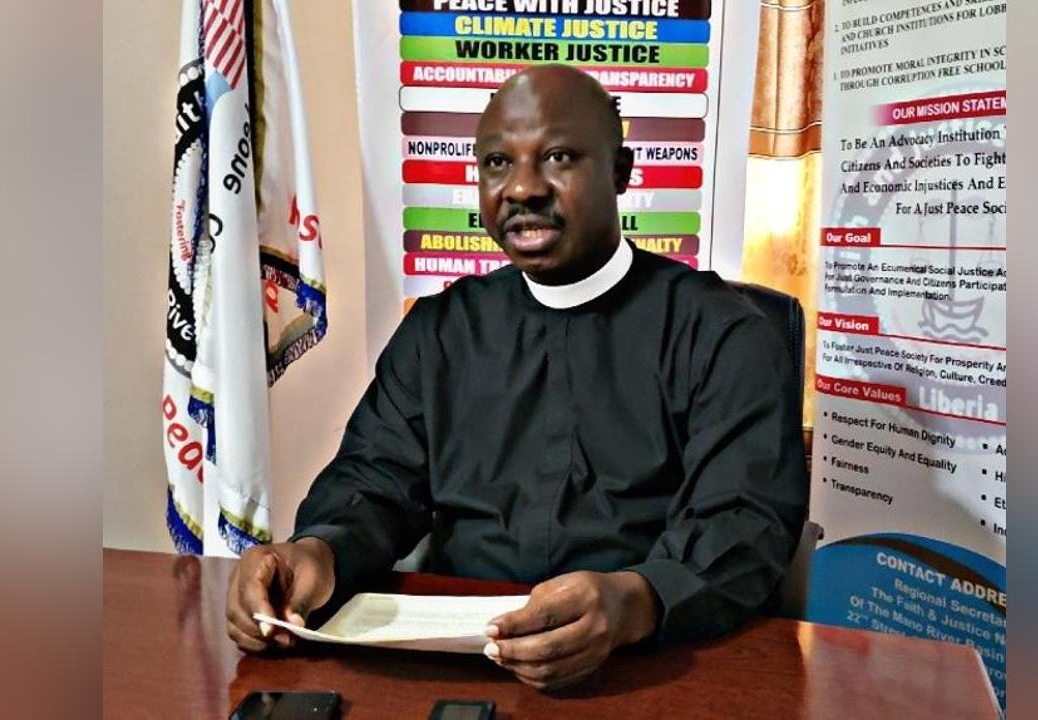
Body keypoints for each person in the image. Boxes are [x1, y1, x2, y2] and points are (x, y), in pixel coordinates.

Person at [226, 64, 807, 690]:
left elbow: (743, 521)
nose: (523, 188)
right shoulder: (440, 331)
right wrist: (317, 552)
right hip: (458, 662)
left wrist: (636, 601)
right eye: (498, 163)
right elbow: (373, 481)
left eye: (558, 157)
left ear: (620, 172)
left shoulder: (722, 332)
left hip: (654, 666)